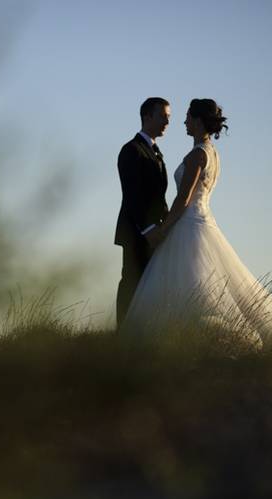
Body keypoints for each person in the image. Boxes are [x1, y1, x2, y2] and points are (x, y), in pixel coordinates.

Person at [120, 98, 272, 356]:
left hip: (188, 226)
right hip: (197, 223)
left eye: (186, 117)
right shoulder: (210, 153)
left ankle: (179, 345)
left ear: (198, 121)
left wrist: (163, 229)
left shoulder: (198, 154)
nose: (181, 122)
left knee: (189, 287)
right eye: (168, 116)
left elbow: (183, 199)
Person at [114, 97, 171, 328]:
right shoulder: (132, 150)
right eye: (162, 116)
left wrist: (166, 223)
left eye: (169, 118)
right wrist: (148, 229)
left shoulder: (155, 152)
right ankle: (123, 332)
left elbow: (158, 196)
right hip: (137, 231)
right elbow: (133, 196)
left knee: (152, 284)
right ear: (147, 117)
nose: (167, 122)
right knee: (132, 280)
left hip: (156, 230)